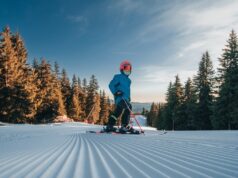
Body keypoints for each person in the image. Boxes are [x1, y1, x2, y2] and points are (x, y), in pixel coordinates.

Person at [104, 60, 139, 134]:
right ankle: (124, 126)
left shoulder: (129, 80)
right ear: (122, 68)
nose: (128, 70)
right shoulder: (118, 77)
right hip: (120, 98)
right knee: (128, 108)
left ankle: (110, 125)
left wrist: (129, 98)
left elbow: (127, 90)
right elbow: (111, 85)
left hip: (125, 98)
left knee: (118, 112)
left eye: (129, 68)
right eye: (126, 68)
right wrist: (116, 92)